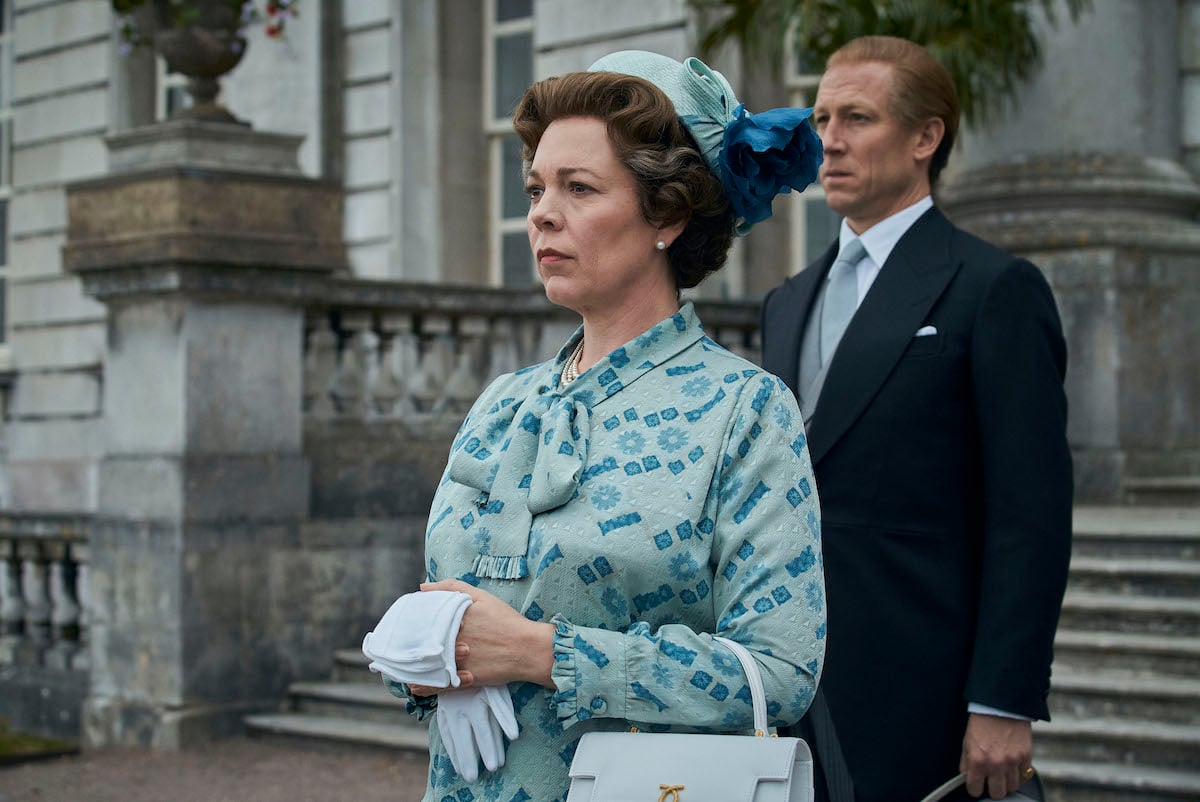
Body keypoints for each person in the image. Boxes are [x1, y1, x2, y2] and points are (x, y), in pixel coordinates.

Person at [392, 50, 827, 801]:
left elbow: (782, 673)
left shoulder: (746, 411)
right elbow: (448, 599)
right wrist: (430, 652)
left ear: (668, 214)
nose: (540, 213)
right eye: (535, 188)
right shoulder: (503, 403)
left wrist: (541, 653)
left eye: (578, 188)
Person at [761, 36, 1073, 802]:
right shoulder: (785, 302)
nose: (827, 140)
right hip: (786, 685)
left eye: (857, 118)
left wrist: (1002, 700)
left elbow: (1029, 514)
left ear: (925, 138)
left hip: (922, 695)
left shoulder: (994, 288)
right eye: (822, 116)